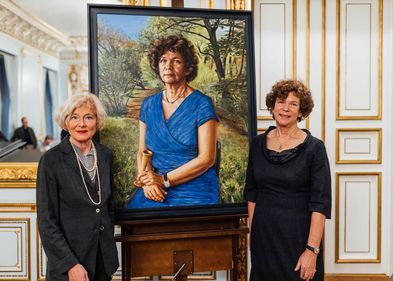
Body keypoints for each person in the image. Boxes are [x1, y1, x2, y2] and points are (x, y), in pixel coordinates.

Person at [244, 80, 331, 281]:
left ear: (301, 111)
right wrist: (253, 239)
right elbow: (252, 193)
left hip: (298, 239)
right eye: (281, 102)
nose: (285, 108)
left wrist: (311, 250)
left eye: (293, 104)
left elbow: (320, 204)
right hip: (264, 238)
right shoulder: (257, 145)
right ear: (272, 107)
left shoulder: (315, 148)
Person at [127, 35, 219, 208]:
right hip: (154, 187)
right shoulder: (148, 104)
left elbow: (207, 158)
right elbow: (142, 151)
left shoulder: (202, 103)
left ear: (187, 68)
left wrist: (164, 180)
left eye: (176, 61)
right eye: (163, 60)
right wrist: (148, 182)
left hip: (195, 188)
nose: (168, 66)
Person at [36, 93, 119, 281]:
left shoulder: (105, 156)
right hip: (68, 265)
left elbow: (107, 207)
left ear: (97, 122)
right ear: (65, 122)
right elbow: (46, 222)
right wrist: (70, 264)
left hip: (103, 262)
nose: (81, 124)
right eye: (74, 117)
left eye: (88, 117)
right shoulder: (51, 160)